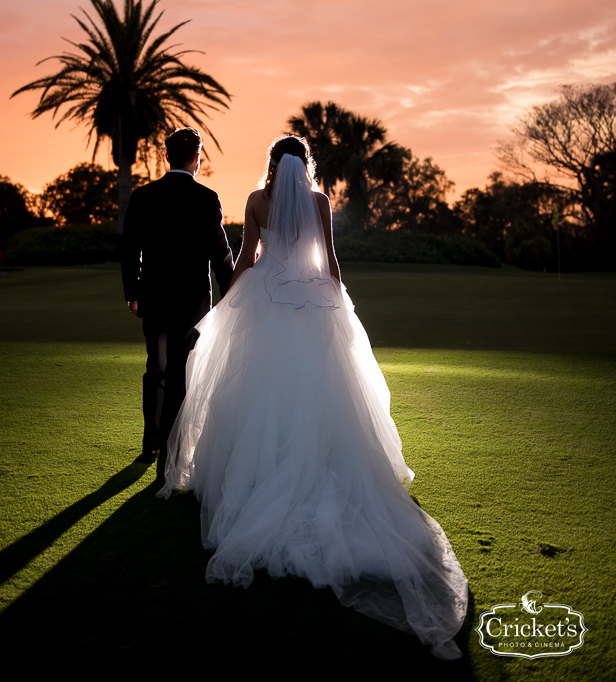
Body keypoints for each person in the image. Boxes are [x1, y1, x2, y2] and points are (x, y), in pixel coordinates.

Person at [157, 134, 468, 659]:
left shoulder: (258, 200)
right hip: (310, 298)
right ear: (307, 167)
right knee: (316, 394)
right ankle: (312, 467)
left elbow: (247, 260)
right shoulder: (321, 202)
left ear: (273, 165)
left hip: (267, 296)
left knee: (256, 392)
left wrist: (229, 303)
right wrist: (341, 303)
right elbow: (329, 261)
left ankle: (253, 475)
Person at [120, 127, 234, 481]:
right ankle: (169, 457)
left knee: (156, 367)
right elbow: (220, 253)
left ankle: (151, 442)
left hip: (153, 296)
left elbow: (129, 249)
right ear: (197, 158)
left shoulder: (143, 195)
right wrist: (234, 294)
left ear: (167, 156)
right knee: (180, 375)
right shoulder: (207, 197)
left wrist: (133, 293)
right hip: (192, 302)